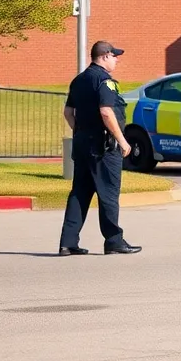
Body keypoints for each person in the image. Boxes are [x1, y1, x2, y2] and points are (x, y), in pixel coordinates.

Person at [58, 41, 141, 256]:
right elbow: (106, 111)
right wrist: (122, 140)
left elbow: (68, 112)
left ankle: (68, 243)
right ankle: (114, 241)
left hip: (83, 143)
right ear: (104, 56)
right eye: (114, 56)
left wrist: (81, 131)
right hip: (103, 146)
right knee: (109, 193)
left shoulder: (79, 80)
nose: (117, 60)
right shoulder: (104, 81)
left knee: (80, 193)